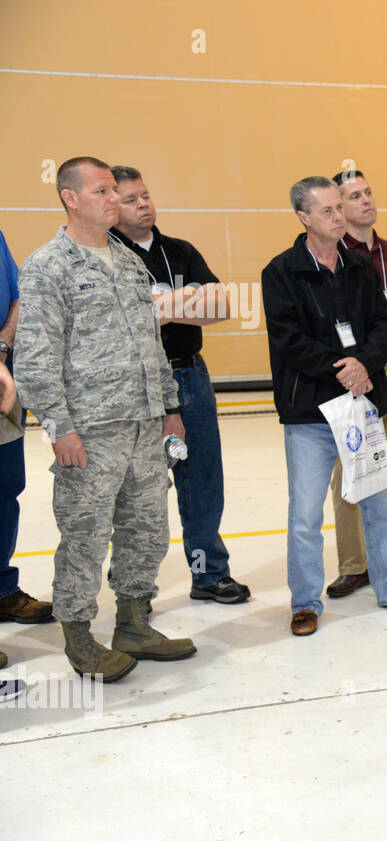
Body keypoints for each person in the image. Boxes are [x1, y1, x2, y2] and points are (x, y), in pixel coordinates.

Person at [16, 156, 195, 682]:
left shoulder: (129, 261)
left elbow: (152, 346)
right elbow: (34, 358)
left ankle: (135, 624)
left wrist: (170, 409)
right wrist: (59, 427)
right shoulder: (49, 266)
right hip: (89, 433)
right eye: (102, 191)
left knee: (146, 530)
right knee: (85, 537)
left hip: (144, 426)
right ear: (71, 198)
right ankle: (78, 638)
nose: (114, 199)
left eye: (115, 190)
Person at [261, 177, 387, 636]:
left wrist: (364, 365)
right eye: (328, 211)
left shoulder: (360, 267)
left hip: (362, 406)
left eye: (340, 208)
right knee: (305, 516)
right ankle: (305, 602)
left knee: (382, 504)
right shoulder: (280, 273)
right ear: (303, 218)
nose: (339, 217)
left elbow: (384, 324)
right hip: (312, 413)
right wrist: (345, 368)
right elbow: (288, 340)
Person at [108, 165, 251, 604]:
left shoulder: (179, 250)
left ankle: (208, 575)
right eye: (131, 199)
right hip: (138, 382)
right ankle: (135, 591)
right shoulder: (106, 255)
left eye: (146, 195)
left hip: (190, 375)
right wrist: (187, 300)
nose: (143, 204)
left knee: (202, 477)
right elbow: (120, 320)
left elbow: (223, 304)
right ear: (112, 206)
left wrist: (158, 307)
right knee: (141, 489)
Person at [324, 170, 387, 600]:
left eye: (368, 192)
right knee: (348, 471)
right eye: (354, 196)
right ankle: (354, 565)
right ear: (338, 208)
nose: (365, 200)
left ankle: (384, 559)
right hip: (351, 377)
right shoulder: (330, 256)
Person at [0, 227, 55, 662]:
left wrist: (1, 349)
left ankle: (2, 587)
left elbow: (18, 298)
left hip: (2, 375)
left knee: (5, 489)